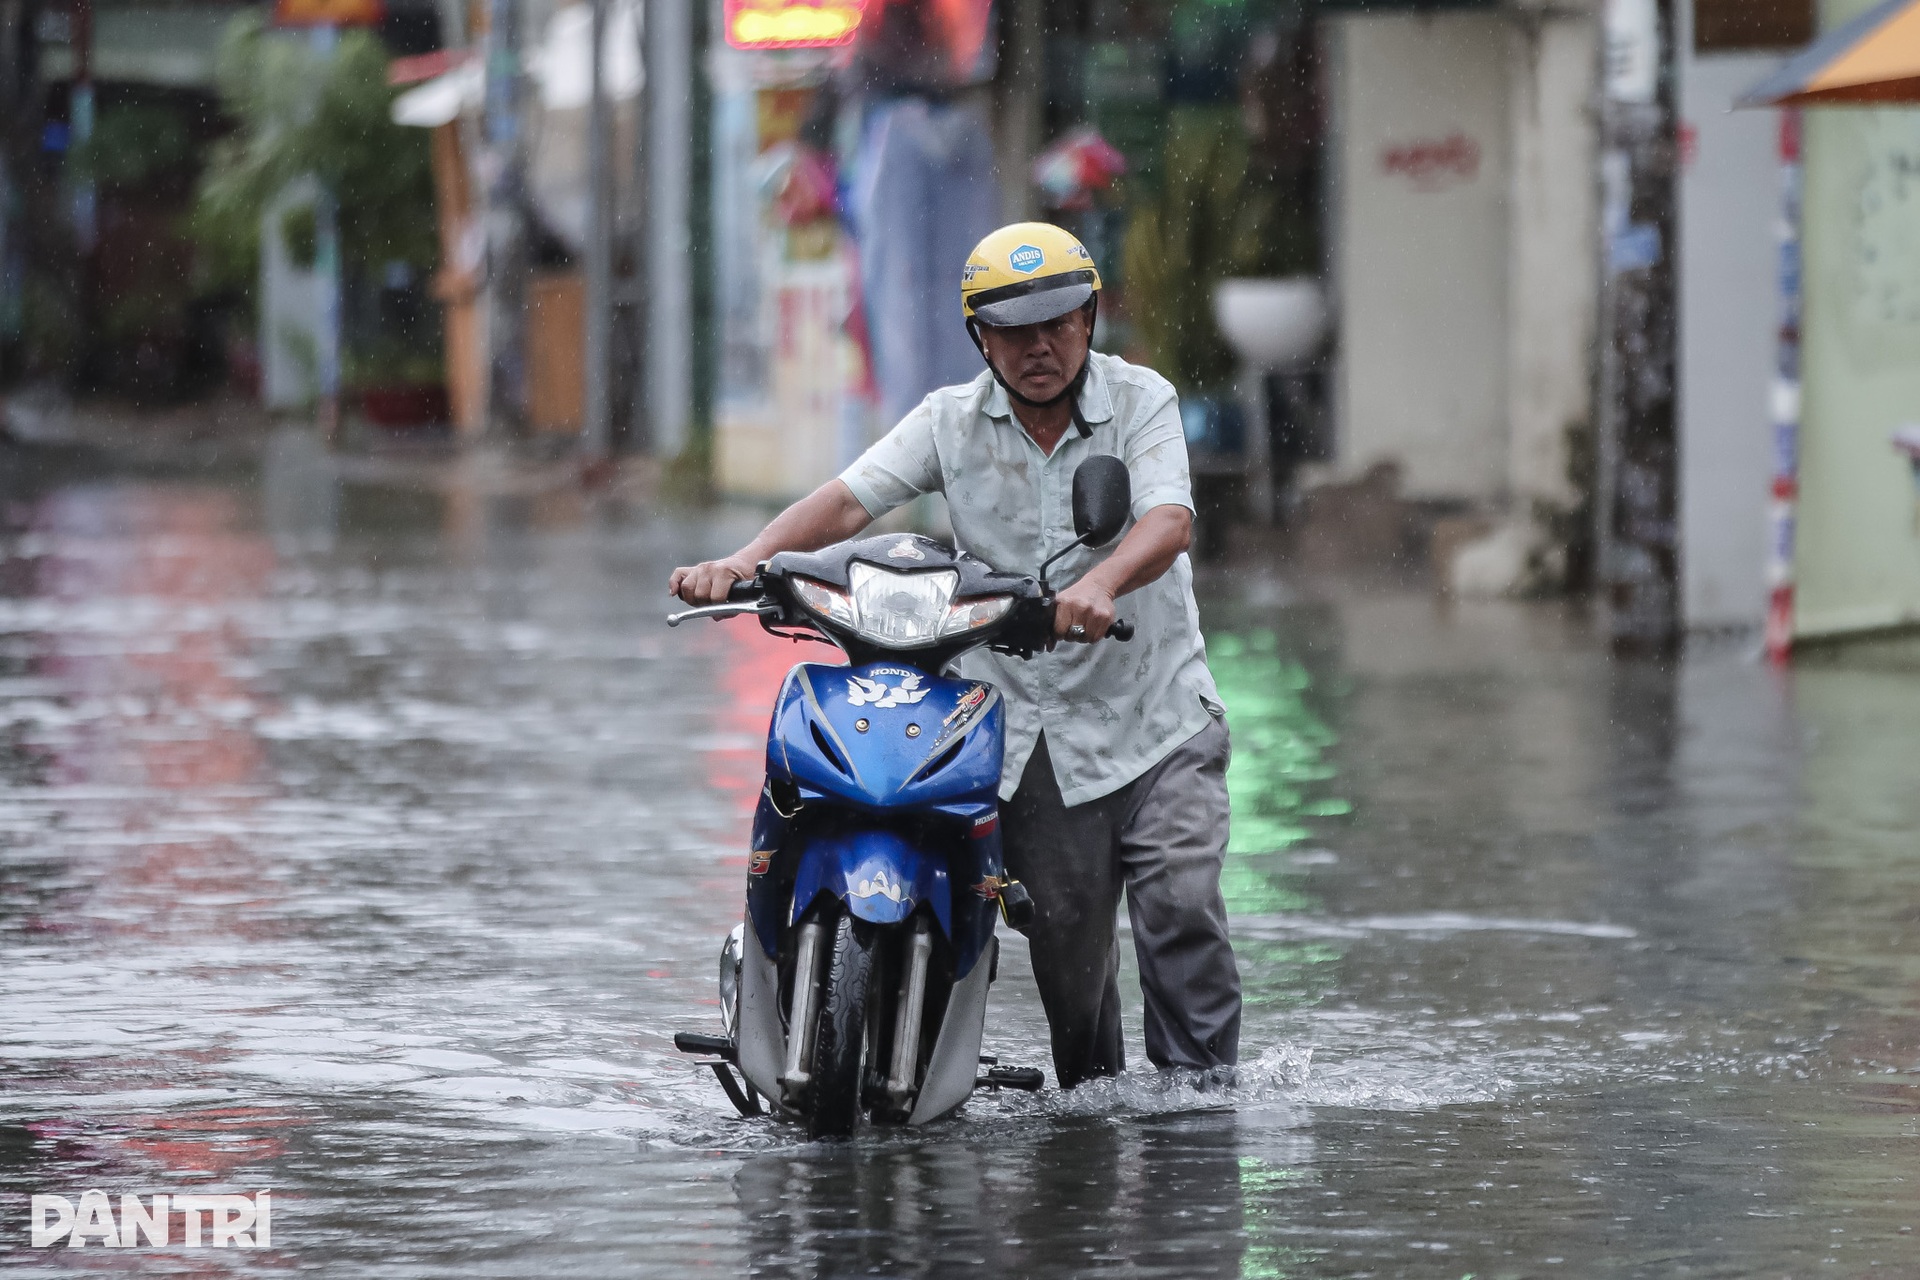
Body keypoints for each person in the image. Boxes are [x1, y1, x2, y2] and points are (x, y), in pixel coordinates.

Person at [670, 222, 1239, 1089]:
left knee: (1182, 908)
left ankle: (1202, 1111)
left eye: (1058, 323)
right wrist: (745, 565)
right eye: (1013, 330)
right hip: (1031, 743)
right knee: (1070, 977)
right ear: (981, 338)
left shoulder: (1140, 401)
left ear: (1090, 319)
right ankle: (1093, 1137)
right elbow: (849, 502)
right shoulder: (949, 421)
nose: (1039, 346)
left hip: (1156, 718)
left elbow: (1168, 519)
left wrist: (1103, 584)